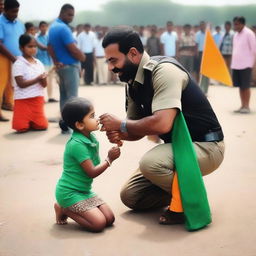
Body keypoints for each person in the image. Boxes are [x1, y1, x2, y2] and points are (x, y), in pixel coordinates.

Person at [100, 26, 225, 225]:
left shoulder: (164, 71)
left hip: (206, 146)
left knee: (151, 163)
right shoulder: (133, 83)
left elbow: (162, 124)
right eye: (108, 61)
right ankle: (183, 185)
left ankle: (188, 200)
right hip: (178, 148)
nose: (110, 67)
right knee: (132, 196)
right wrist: (120, 132)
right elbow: (136, 128)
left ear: (133, 53)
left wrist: (122, 125)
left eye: (113, 60)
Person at [54, 97, 121, 232]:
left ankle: (72, 208)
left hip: (84, 191)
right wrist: (109, 159)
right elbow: (91, 172)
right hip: (69, 193)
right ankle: (64, 208)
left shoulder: (90, 137)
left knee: (109, 219)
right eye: (92, 116)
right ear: (79, 125)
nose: (97, 119)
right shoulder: (76, 145)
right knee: (98, 224)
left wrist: (117, 136)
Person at [48, 4, 85, 133]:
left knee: (64, 97)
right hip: (70, 66)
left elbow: (50, 47)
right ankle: (72, 125)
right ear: (62, 13)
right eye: (69, 14)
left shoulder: (52, 27)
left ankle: (65, 125)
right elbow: (72, 49)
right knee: (73, 98)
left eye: (72, 15)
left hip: (61, 67)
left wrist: (56, 62)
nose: (71, 18)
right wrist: (82, 57)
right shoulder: (63, 28)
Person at [12, 34, 48, 133]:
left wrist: (44, 79)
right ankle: (28, 121)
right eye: (29, 46)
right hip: (22, 100)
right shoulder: (18, 63)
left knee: (42, 126)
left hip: (37, 98)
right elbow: (21, 84)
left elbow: (44, 85)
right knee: (21, 128)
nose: (33, 49)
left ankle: (32, 121)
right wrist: (38, 78)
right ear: (21, 48)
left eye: (35, 46)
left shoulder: (39, 63)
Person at [0, 0, 24, 121]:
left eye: (17, 11)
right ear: (5, 10)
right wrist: (12, 58)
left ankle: (8, 103)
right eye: (13, 11)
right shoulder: (0, 21)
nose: (16, 14)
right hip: (3, 57)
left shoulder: (19, 23)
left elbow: (24, 40)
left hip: (18, 58)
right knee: (1, 83)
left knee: (12, 83)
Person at [231, 16, 256, 114]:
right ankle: (242, 105)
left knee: (245, 86)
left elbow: (254, 50)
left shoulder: (249, 34)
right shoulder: (236, 35)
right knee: (240, 86)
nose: (235, 26)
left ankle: (247, 106)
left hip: (246, 64)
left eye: (237, 24)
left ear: (242, 24)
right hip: (236, 64)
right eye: (235, 24)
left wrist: (253, 64)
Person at [36, 21, 57, 103]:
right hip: (41, 62)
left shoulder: (49, 37)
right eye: (42, 27)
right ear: (39, 28)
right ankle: (42, 98)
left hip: (50, 61)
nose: (44, 28)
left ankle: (50, 97)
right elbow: (43, 48)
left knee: (51, 81)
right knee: (42, 80)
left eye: (45, 26)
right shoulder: (36, 38)